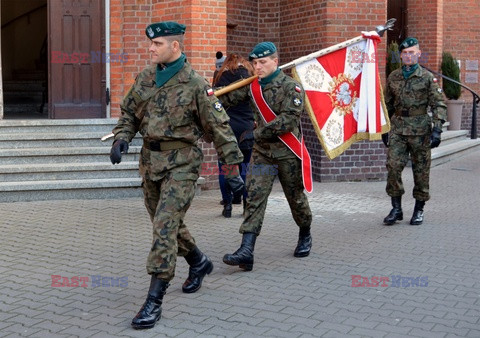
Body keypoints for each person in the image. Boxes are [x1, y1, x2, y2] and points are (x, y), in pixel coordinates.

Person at [109, 21, 244, 329]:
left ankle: (154, 301)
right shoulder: (146, 77)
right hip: (151, 163)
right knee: (166, 222)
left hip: (182, 164)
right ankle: (199, 262)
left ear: (175, 46)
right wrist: (122, 138)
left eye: (157, 44)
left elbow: (220, 127)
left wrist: (232, 169)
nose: (151, 48)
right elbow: (130, 113)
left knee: (164, 229)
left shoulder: (195, 84)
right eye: (151, 44)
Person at [219, 42, 313, 271]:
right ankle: (246, 251)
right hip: (263, 155)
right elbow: (226, 100)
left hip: (287, 153)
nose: (258, 67)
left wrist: (256, 133)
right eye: (254, 63)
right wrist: (208, 94)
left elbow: (288, 120)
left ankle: (305, 233)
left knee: (295, 198)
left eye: (262, 62)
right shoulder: (252, 87)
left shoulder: (292, 88)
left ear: (275, 61)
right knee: (254, 197)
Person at [382, 37, 447, 226]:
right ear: (400, 55)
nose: (408, 56)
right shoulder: (394, 76)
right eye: (405, 53)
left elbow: (438, 104)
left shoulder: (427, 77)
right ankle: (396, 209)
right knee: (393, 167)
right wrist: (384, 128)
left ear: (419, 54)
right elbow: (387, 105)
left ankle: (419, 209)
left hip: (421, 131)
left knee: (421, 172)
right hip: (398, 129)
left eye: (412, 52)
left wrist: (438, 129)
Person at [213, 53, 255, 218]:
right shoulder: (250, 78)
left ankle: (228, 205)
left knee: (225, 166)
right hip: (246, 128)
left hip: (225, 128)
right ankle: (245, 205)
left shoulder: (220, 77)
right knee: (244, 167)